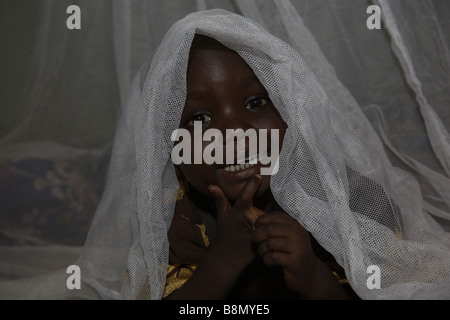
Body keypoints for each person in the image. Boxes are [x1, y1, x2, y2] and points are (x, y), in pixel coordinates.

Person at [71, 9, 450, 300]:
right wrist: (224, 260)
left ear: (292, 114)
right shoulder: (171, 220)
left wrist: (313, 277)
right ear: (169, 145)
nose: (234, 133)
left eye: (256, 102)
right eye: (199, 117)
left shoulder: (349, 205)